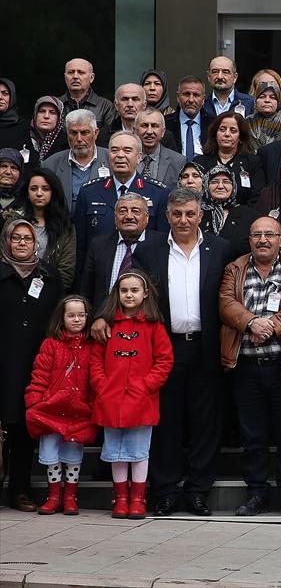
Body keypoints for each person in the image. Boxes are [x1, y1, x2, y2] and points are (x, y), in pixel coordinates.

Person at [120, 187, 229, 518]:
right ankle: (165, 491)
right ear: (166, 216)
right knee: (165, 421)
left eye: (190, 214)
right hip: (164, 349)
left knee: (204, 421)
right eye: (177, 214)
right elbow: (130, 289)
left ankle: (198, 491)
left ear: (201, 215)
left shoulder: (220, 248)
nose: (184, 220)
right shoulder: (150, 247)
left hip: (206, 346)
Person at [219, 216, 281, 517]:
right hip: (245, 365)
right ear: (249, 239)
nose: (263, 240)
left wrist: (269, 326)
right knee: (252, 435)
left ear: (280, 239)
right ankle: (256, 493)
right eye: (257, 234)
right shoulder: (235, 268)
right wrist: (250, 323)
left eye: (269, 235)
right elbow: (225, 303)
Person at [89, 269, 173, 519]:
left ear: (145, 293)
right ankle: (120, 498)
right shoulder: (108, 325)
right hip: (111, 398)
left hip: (141, 399)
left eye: (134, 290)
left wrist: (147, 385)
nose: (128, 295)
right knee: (115, 450)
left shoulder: (153, 326)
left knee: (138, 451)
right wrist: (101, 385)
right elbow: (95, 360)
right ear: (117, 293)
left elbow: (165, 360)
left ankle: (137, 498)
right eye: (124, 290)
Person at [1, 219, 65, 512]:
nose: (22, 243)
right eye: (16, 238)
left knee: (26, 428)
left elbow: (57, 318)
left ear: (36, 242)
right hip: (4, 360)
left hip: (36, 362)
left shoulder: (48, 276)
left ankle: (20, 490)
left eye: (28, 238)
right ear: (6, 241)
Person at [24, 295, 97, 515]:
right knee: (51, 454)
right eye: (71, 315)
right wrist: (36, 401)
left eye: (81, 315)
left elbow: (94, 380)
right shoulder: (51, 345)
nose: (76, 319)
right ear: (61, 318)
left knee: (73, 454)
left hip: (78, 410)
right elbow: (40, 374)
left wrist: (93, 404)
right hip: (51, 409)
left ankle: (70, 496)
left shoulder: (92, 346)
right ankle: (54, 495)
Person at [73, 132, 169, 269]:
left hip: (143, 274)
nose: (120, 155)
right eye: (114, 150)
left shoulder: (158, 193)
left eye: (127, 150)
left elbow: (162, 245)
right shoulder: (89, 192)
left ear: (139, 157)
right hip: (100, 273)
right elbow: (80, 246)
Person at [76, 193, 167, 311]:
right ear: (115, 217)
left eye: (136, 211)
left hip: (148, 322)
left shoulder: (162, 244)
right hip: (106, 321)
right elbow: (87, 290)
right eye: (123, 211)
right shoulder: (98, 245)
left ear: (147, 217)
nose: (129, 216)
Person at [2, 168, 75, 286]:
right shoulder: (13, 221)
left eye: (45, 189)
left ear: (53, 192)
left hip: (49, 294)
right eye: (33, 189)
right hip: (12, 290)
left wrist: (42, 292)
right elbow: (3, 258)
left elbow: (66, 272)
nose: (39, 193)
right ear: (27, 193)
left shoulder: (65, 226)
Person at [43, 109, 110, 212]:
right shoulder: (51, 165)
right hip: (64, 225)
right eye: (73, 133)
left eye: (84, 133)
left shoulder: (112, 159)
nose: (79, 138)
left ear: (96, 133)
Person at [195, 111, 262, 205]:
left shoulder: (252, 163)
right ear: (215, 134)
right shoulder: (199, 162)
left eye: (233, 131)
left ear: (240, 137)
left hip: (242, 217)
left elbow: (256, 198)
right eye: (222, 129)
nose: (227, 134)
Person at [199, 164, 254, 259]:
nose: (220, 186)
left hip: (236, 271)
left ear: (234, 186)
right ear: (206, 185)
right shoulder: (196, 213)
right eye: (214, 182)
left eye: (226, 182)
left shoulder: (249, 216)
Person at [59, 57, 117, 131]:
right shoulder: (56, 105)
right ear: (65, 77)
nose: (75, 76)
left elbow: (107, 138)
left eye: (81, 72)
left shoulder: (105, 107)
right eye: (71, 72)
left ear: (91, 77)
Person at [165, 76, 213, 163]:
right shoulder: (165, 124)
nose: (191, 100)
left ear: (203, 100)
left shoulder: (213, 124)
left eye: (196, 95)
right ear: (178, 97)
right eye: (186, 94)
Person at [135, 109, 186, 188]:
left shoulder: (178, 161)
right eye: (144, 125)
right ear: (135, 130)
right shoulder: (126, 158)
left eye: (155, 126)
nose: (149, 131)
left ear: (163, 131)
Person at [246, 81, 281, 151]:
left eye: (272, 97)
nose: (267, 100)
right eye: (262, 97)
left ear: (278, 102)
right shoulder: (248, 122)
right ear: (255, 100)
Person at [28, 96, 67, 164]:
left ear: (59, 118)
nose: (46, 116)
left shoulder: (67, 144)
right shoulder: (21, 138)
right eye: (42, 111)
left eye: (52, 112)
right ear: (35, 115)